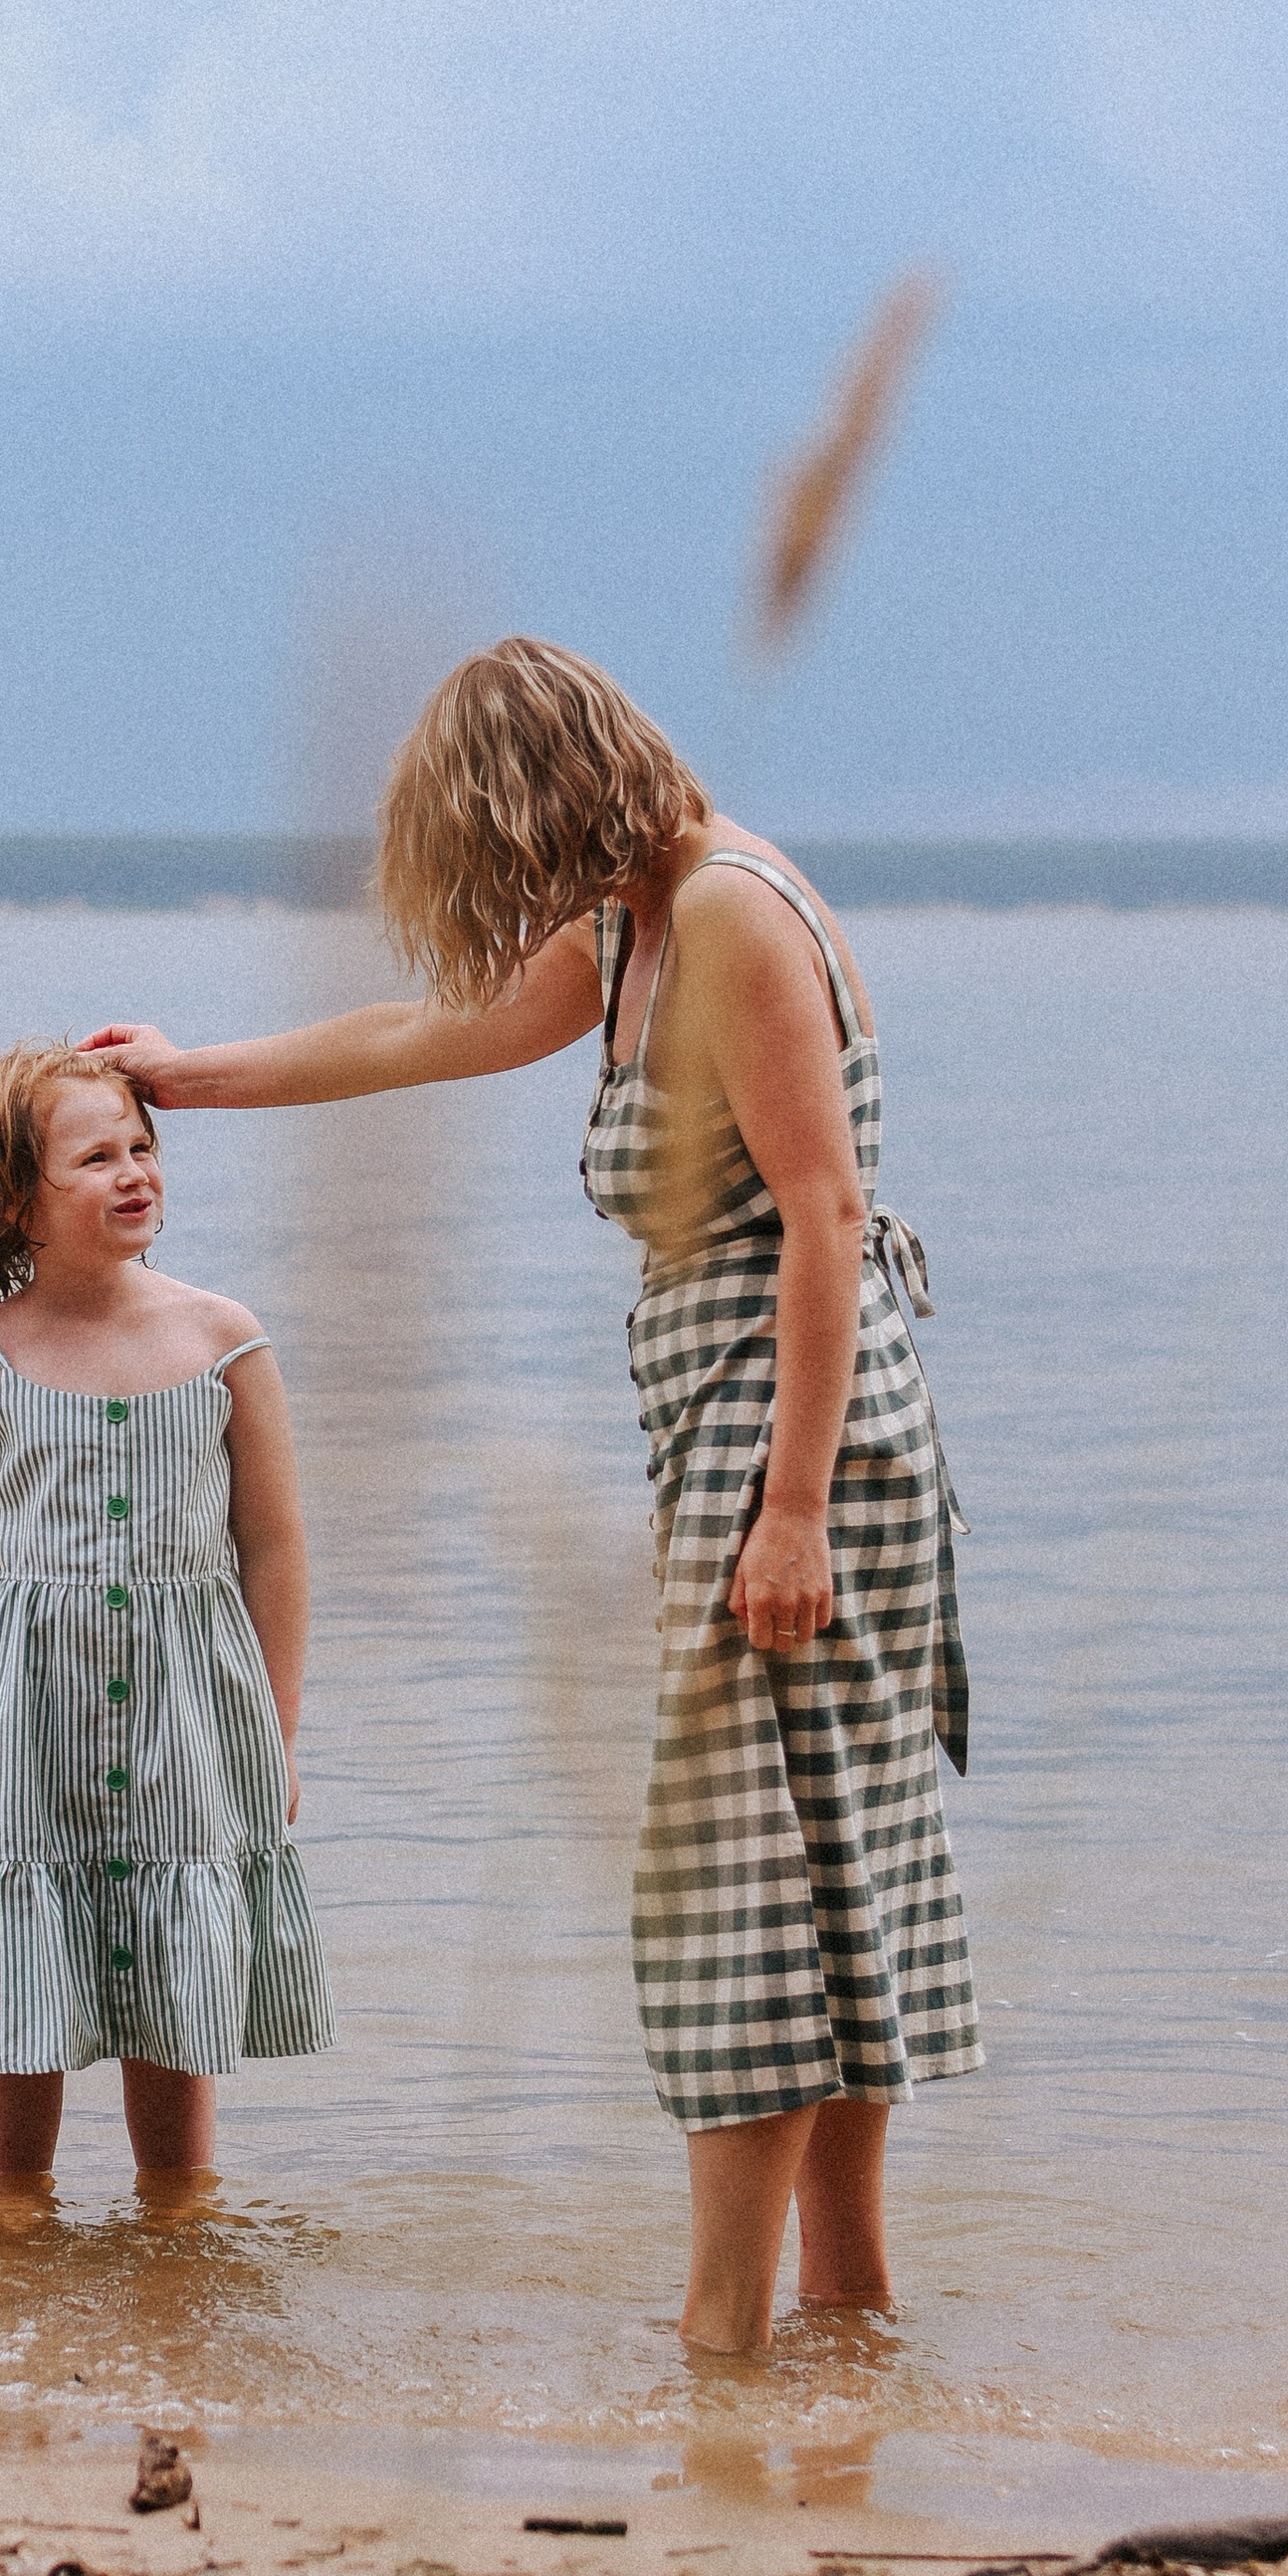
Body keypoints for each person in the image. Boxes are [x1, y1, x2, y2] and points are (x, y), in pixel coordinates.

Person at [86, 636, 978, 2350]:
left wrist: (790, 1508)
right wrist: (196, 1074)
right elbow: (428, 1033)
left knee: (741, 1883)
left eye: (499, 849)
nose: (505, 893)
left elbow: (825, 1212)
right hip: (736, 1432)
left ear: (554, 801)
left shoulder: (727, 912)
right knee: (812, 1861)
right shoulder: (638, 919)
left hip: (800, 1442)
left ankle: (726, 2328)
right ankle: (845, 2317)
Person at [0, 1043, 330, 2181]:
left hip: (192, 1716)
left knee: (177, 1955)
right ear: (14, 1197)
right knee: (24, 1962)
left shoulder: (222, 1339)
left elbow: (274, 1549)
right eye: (96, 1158)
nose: (134, 1172)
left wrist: (277, 1734)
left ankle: (176, 2215)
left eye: (141, 1147)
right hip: (25, 1726)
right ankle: (12, 2221)